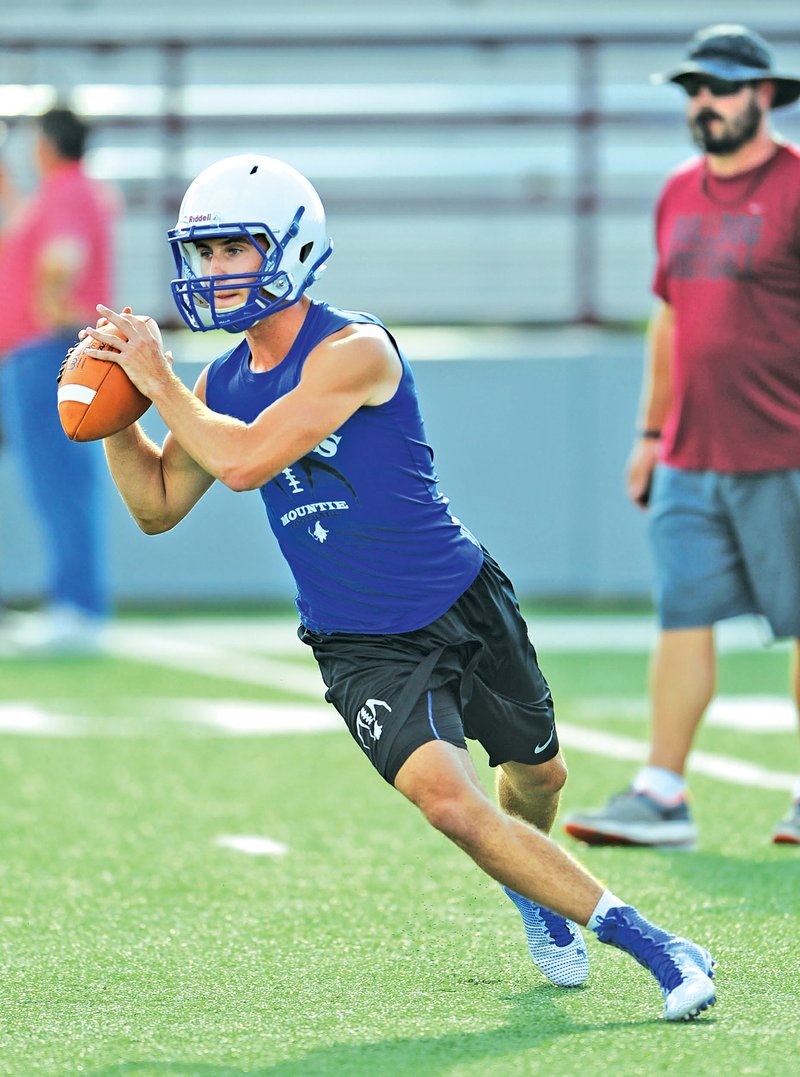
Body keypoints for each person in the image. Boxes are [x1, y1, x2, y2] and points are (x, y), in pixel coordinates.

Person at [85, 153, 716, 1020]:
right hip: (359, 641)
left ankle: (533, 883)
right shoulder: (219, 381)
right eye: (207, 251)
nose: (218, 270)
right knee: (451, 803)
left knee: (538, 780)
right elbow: (158, 504)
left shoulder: (355, 349)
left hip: (459, 594)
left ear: (296, 248)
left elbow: (242, 462)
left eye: (238, 246)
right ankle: (659, 946)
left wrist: (155, 381)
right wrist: (115, 410)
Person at [563, 24, 800, 850]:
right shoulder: (677, 191)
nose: (707, 102)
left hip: (788, 448)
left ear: (765, 95)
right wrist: (648, 431)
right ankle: (663, 792)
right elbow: (668, 318)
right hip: (691, 451)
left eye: (724, 87)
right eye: (695, 88)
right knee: (681, 616)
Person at [0, 107, 118, 653]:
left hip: (48, 351)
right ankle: (71, 600)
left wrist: (51, 311)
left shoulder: (67, 192)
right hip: (39, 353)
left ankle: (77, 606)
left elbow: (60, 259)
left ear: (47, 142)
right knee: (57, 484)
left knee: (61, 483)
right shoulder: (63, 192)